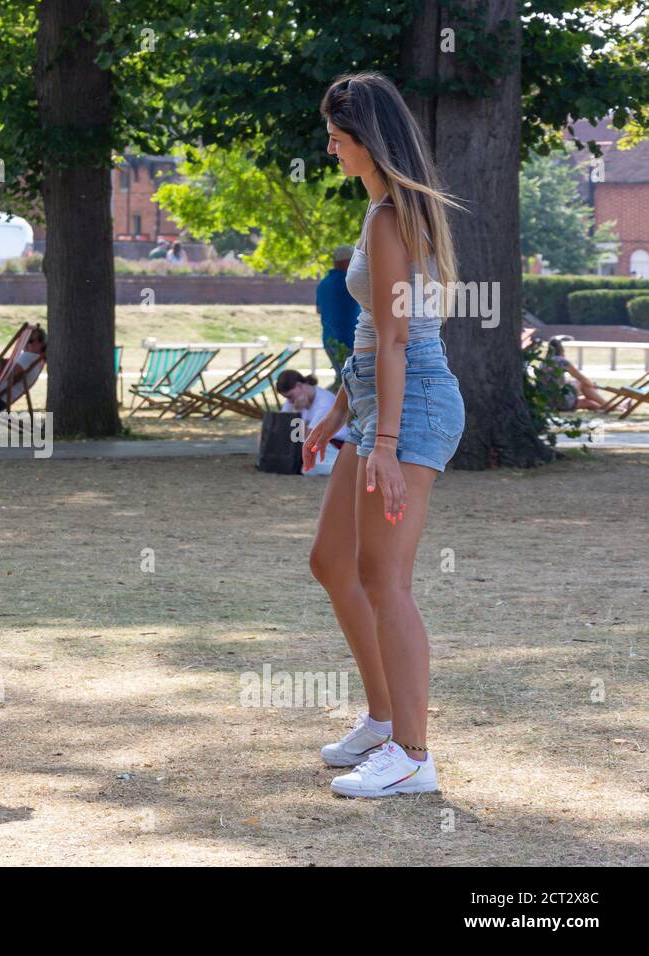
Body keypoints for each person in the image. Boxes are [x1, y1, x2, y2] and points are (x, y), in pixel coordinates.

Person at [303, 72, 466, 799]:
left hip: (415, 404)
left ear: (369, 140)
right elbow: (373, 333)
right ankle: (380, 718)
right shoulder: (382, 212)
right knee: (333, 562)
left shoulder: (389, 219)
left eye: (338, 139)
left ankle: (412, 753)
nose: (331, 149)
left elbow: (399, 338)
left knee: (385, 579)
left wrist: (387, 443)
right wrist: (342, 414)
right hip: (376, 406)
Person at [276, 369, 352, 477]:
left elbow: (306, 438)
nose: (289, 401)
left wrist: (297, 413)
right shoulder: (294, 399)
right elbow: (280, 427)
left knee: (309, 467)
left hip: (333, 444)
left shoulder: (324, 401)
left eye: (289, 396)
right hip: (313, 445)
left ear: (299, 386)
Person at [537, 337, 629, 413]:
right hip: (560, 401)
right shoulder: (561, 361)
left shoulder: (544, 362)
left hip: (548, 403)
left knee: (590, 403)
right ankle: (611, 406)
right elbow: (581, 378)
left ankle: (617, 408)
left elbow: (554, 381)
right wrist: (592, 384)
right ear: (561, 349)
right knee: (581, 383)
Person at [317, 244, 361, 391]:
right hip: (348, 342)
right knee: (352, 387)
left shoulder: (323, 283)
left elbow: (318, 309)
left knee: (342, 381)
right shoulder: (350, 281)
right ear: (346, 261)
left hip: (329, 341)